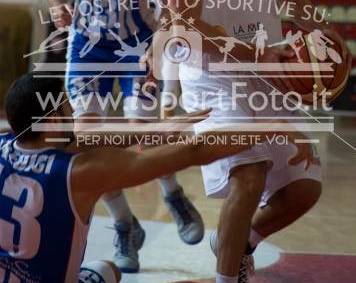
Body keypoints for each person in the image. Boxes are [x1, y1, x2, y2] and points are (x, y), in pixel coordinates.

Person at [166, 0, 351, 283]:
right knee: (249, 177)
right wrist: (259, 53)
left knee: (304, 188)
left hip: (267, 75)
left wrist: (326, 32)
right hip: (216, 80)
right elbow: (185, 28)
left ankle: (237, 242)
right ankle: (227, 277)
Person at [45, 0, 203, 273]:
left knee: (142, 136)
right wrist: (59, 3)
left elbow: (169, 0)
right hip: (88, 45)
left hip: (136, 45)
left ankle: (173, 195)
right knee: (88, 143)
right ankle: (124, 225)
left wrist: (162, 48)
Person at [0, 73, 308, 283]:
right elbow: (194, 151)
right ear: (54, 121)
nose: (74, 112)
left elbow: (84, 137)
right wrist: (271, 125)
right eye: (68, 106)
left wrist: (155, 130)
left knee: (108, 269)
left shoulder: (5, 143)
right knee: (106, 271)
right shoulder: (79, 172)